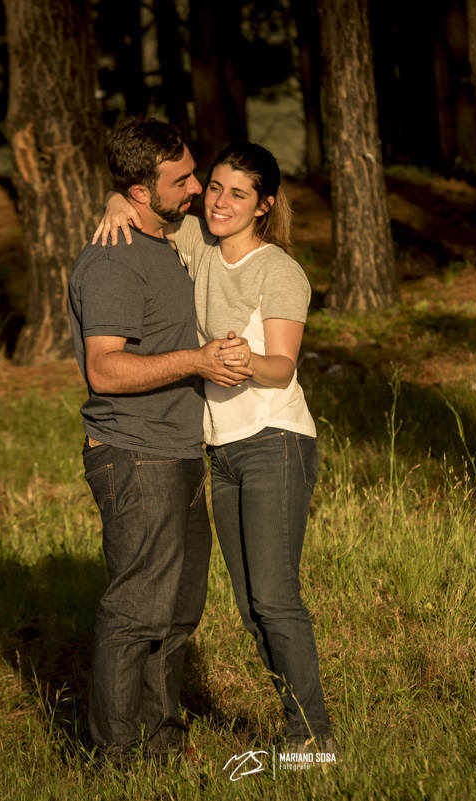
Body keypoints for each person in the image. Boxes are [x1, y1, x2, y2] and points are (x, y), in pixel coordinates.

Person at [93, 141, 335, 753]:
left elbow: (281, 368)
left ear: (264, 206)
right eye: (217, 187)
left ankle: (313, 740)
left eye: (239, 193)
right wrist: (118, 199)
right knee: (252, 607)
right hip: (220, 452)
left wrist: (239, 359)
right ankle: (298, 731)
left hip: (274, 442)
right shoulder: (198, 244)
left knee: (276, 599)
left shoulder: (278, 270)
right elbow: (149, 207)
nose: (220, 201)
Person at [67, 117, 253, 764]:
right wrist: (198, 362)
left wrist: (122, 196)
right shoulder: (115, 260)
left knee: (177, 607)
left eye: (194, 172)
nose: (198, 189)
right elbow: (105, 370)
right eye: (181, 180)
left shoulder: (160, 233)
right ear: (141, 192)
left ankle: (162, 743)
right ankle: (113, 755)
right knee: (138, 607)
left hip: (175, 449)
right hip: (134, 453)